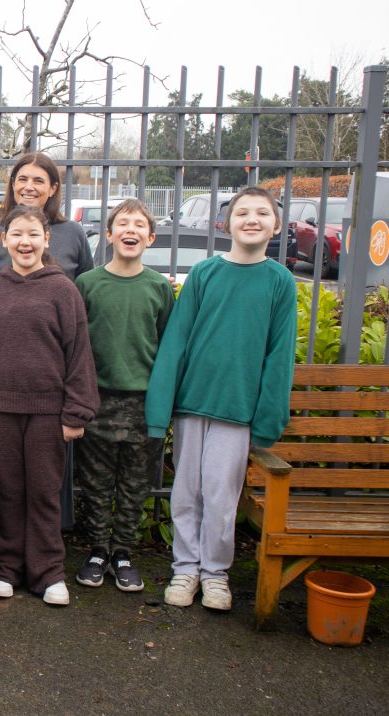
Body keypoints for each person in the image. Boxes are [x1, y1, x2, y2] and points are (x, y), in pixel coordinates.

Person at [146, 187, 296, 611]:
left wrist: (267, 421)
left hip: (237, 411)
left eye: (262, 213)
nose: (252, 219)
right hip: (192, 405)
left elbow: (280, 355)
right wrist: (160, 409)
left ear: (276, 226)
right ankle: (185, 569)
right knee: (185, 493)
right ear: (226, 223)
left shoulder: (280, 281)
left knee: (221, 497)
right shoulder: (204, 274)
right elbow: (176, 341)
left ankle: (215, 574)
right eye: (242, 212)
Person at [0, 205, 99, 606]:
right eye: (17, 234)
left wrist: (76, 412)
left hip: (48, 413)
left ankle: (47, 572)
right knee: (6, 490)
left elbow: (79, 353)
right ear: (4, 240)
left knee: (43, 491)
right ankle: (5, 569)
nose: (25, 242)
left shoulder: (63, 290)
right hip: (0, 409)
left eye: (33, 234)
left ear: (46, 240)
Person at [73, 199, 174, 592]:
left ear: (151, 237)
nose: (131, 230)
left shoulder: (159, 287)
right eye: (123, 223)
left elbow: (167, 344)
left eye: (139, 225)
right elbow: (76, 344)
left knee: (134, 484)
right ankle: (98, 549)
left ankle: (123, 552)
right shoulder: (88, 284)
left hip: (143, 403)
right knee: (95, 483)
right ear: (109, 234)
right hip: (97, 399)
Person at [0, 153, 93, 310]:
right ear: (13, 184)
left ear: (53, 189)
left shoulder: (73, 233)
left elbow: (86, 295)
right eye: (22, 179)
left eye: (38, 181)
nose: (29, 187)